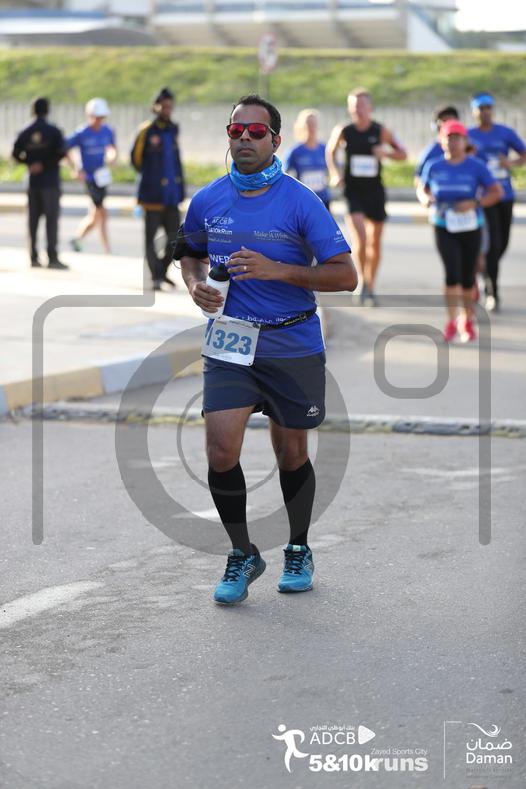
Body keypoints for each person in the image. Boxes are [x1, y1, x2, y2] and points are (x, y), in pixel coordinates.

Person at [177, 93, 357, 605]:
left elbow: (346, 276)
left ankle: (298, 547)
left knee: (291, 452)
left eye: (256, 132)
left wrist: (279, 270)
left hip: (291, 340)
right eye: (236, 131)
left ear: (276, 140)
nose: (245, 139)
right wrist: (194, 285)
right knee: (220, 450)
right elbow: (188, 253)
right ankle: (242, 553)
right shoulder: (208, 199)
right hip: (230, 341)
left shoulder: (301, 201)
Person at [417, 120, 503, 343]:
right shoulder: (434, 166)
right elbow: (422, 188)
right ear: (442, 141)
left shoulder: (476, 166)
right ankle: (451, 321)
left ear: (465, 141)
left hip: (470, 226)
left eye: (457, 138)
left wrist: (475, 203)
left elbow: (496, 192)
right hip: (443, 225)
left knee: (467, 276)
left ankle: (467, 319)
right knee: (451, 273)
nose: (453, 142)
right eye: (449, 138)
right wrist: (425, 199)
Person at [326, 87, 406, 306]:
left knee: (375, 242)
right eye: (354, 106)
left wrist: (386, 153)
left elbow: (403, 153)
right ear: (349, 109)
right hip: (353, 191)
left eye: (362, 105)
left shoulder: (381, 131)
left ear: (370, 107)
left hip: (374, 191)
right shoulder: (344, 130)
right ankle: (362, 281)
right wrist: (335, 173)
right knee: (360, 238)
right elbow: (330, 151)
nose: (358, 110)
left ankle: (371, 284)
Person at [468, 92, 526, 311]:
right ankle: (492, 291)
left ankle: (485, 270)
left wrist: (510, 163)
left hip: (505, 194)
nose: (485, 112)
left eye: (488, 108)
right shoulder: (469, 135)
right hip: (485, 197)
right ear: (474, 112)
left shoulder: (504, 132)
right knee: (492, 245)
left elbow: (523, 154)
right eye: (480, 109)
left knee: (503, 243)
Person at [131, 87, 185, 291]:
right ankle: (156, 277)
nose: (167, 109)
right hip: (152, 195)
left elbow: (177, 161)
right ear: (155, 107)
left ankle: (161, 272)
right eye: (163, 105)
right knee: (150, 240)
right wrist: (151, 177)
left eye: (170, 106)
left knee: (175, 240)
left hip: (172, 195)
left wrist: (180, 188)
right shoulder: (147, 130)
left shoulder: (173, 128)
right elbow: (136, 159)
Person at [12, 97, 67, 269]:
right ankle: (52, 257)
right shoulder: (54, 131)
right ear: (47, 110)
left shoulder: (25, 131)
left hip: (33, 182)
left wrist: (30, 163)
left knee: (32, 221)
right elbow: (61, 153)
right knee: (51, 221)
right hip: (50, 182)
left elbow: (15, 153)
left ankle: (33, 256)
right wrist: (44, 165)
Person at [65, 97, 117, 254]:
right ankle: (107, 249)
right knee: (102, 213)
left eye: (101, 117)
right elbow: (65, 148)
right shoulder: (82, 133)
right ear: (89, 115)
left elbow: (112, 148)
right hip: (89, 178)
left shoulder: (108, 131)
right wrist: (75, 168)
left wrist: (112, 156)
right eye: (96, 117)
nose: (98, 121)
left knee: (96, 215)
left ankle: (77, 238)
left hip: (102, 177)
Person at [283, 109, 331, 210]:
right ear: (301, 126)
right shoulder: (294, 152)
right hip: (303, 200)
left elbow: (333, 170)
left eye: (314, 124)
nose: (311, 127)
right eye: (308, 124)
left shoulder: (325, 149)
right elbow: (284, 175)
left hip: (323, 199)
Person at [414, 105, 460, 186]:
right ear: (436, 126)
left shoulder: (469, 149)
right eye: (444, 122)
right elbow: (418, 179)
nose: (448, 126)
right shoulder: (430, 153)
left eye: (451, 122)